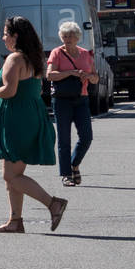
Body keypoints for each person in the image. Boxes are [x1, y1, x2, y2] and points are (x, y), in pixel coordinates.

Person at [0, 16, 67, 234]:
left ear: (15, 36)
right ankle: (15, 221)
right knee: (13, 174)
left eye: (6, 33)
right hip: (31, 116)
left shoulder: (14, 59)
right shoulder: (33, 58)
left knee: (10, 176)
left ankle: (53, 204)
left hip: (17, 120)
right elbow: (34, 91)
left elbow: (9, 91)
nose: (3, 37)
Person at [46, 20, 99, 187]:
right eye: (64, 36)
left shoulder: (85, 54)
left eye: (70, 36)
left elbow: (95, 78)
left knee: (86, 137)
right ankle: (66, 175)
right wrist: (71, 73)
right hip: (61, 100)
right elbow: (50, 75)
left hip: (81, 98)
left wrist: (88, 76)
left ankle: (74, 163)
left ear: (77, 38)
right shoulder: (57, 53)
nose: (67, 39)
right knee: (64, 139)